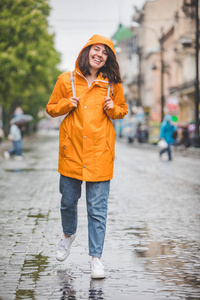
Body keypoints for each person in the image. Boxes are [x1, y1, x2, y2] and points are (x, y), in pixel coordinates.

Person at [46, 35, 128, 279]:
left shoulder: (112, 83)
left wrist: (112, 108)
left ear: (107, 59)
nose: (100, 54)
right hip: (71, 152)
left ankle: (96, 259)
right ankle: (68, 234)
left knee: (97, 210)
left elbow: (122, 110)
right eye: (96, 49)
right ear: (87, 51)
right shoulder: (67, 79)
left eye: (105, 52)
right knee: (67, 202)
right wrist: (65, 104)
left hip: (99, 154)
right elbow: (51, 108)